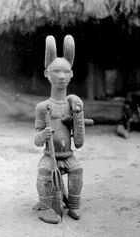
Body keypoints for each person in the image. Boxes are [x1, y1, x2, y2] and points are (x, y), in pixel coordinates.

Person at [34, 35, 85, 224]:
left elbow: (79, 142)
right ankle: (47, 207)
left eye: (66, 71)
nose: (61, 76)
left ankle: (73, 204)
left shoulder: (72, 105)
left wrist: (77, 117)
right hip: (50, 156)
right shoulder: (42, 107)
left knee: (77, 169)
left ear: (71, 74)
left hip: (67, 155)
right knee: (44, 172)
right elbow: (36, 140)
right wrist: (43, 135)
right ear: (47, 74)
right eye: (56, 71)